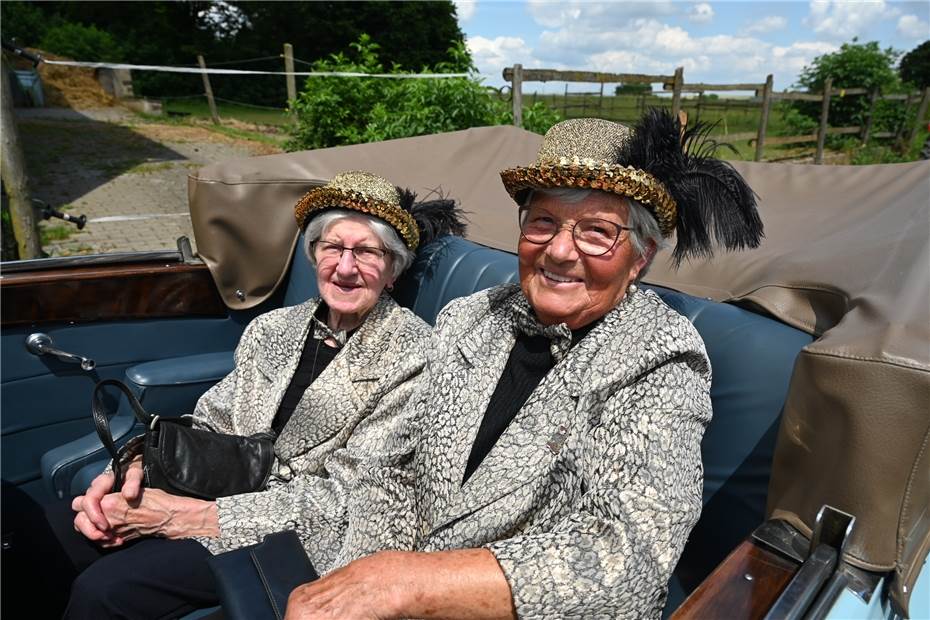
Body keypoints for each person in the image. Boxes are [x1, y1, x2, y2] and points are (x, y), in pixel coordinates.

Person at [285, 111, 764, 619]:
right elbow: (390, 470)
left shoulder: (661, 358)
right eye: (543, 223)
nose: (559, 251)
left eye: (598, 231)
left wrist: (411, 584)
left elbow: (628, 556)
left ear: (640, 258)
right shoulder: (468, 318)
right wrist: (357, 577)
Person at [64, 171, 466, 619]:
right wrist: (134, 466)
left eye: (368, 252)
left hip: (298, 533)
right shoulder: (274, 328)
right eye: (333, 247)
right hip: (222, 491)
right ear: (315, 256)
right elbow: (212, 423)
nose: (346, 267)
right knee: (66, 536)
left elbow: (351, 497)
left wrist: (185, 515)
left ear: (393, 271)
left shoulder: (416, 356)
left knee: (104, 590)